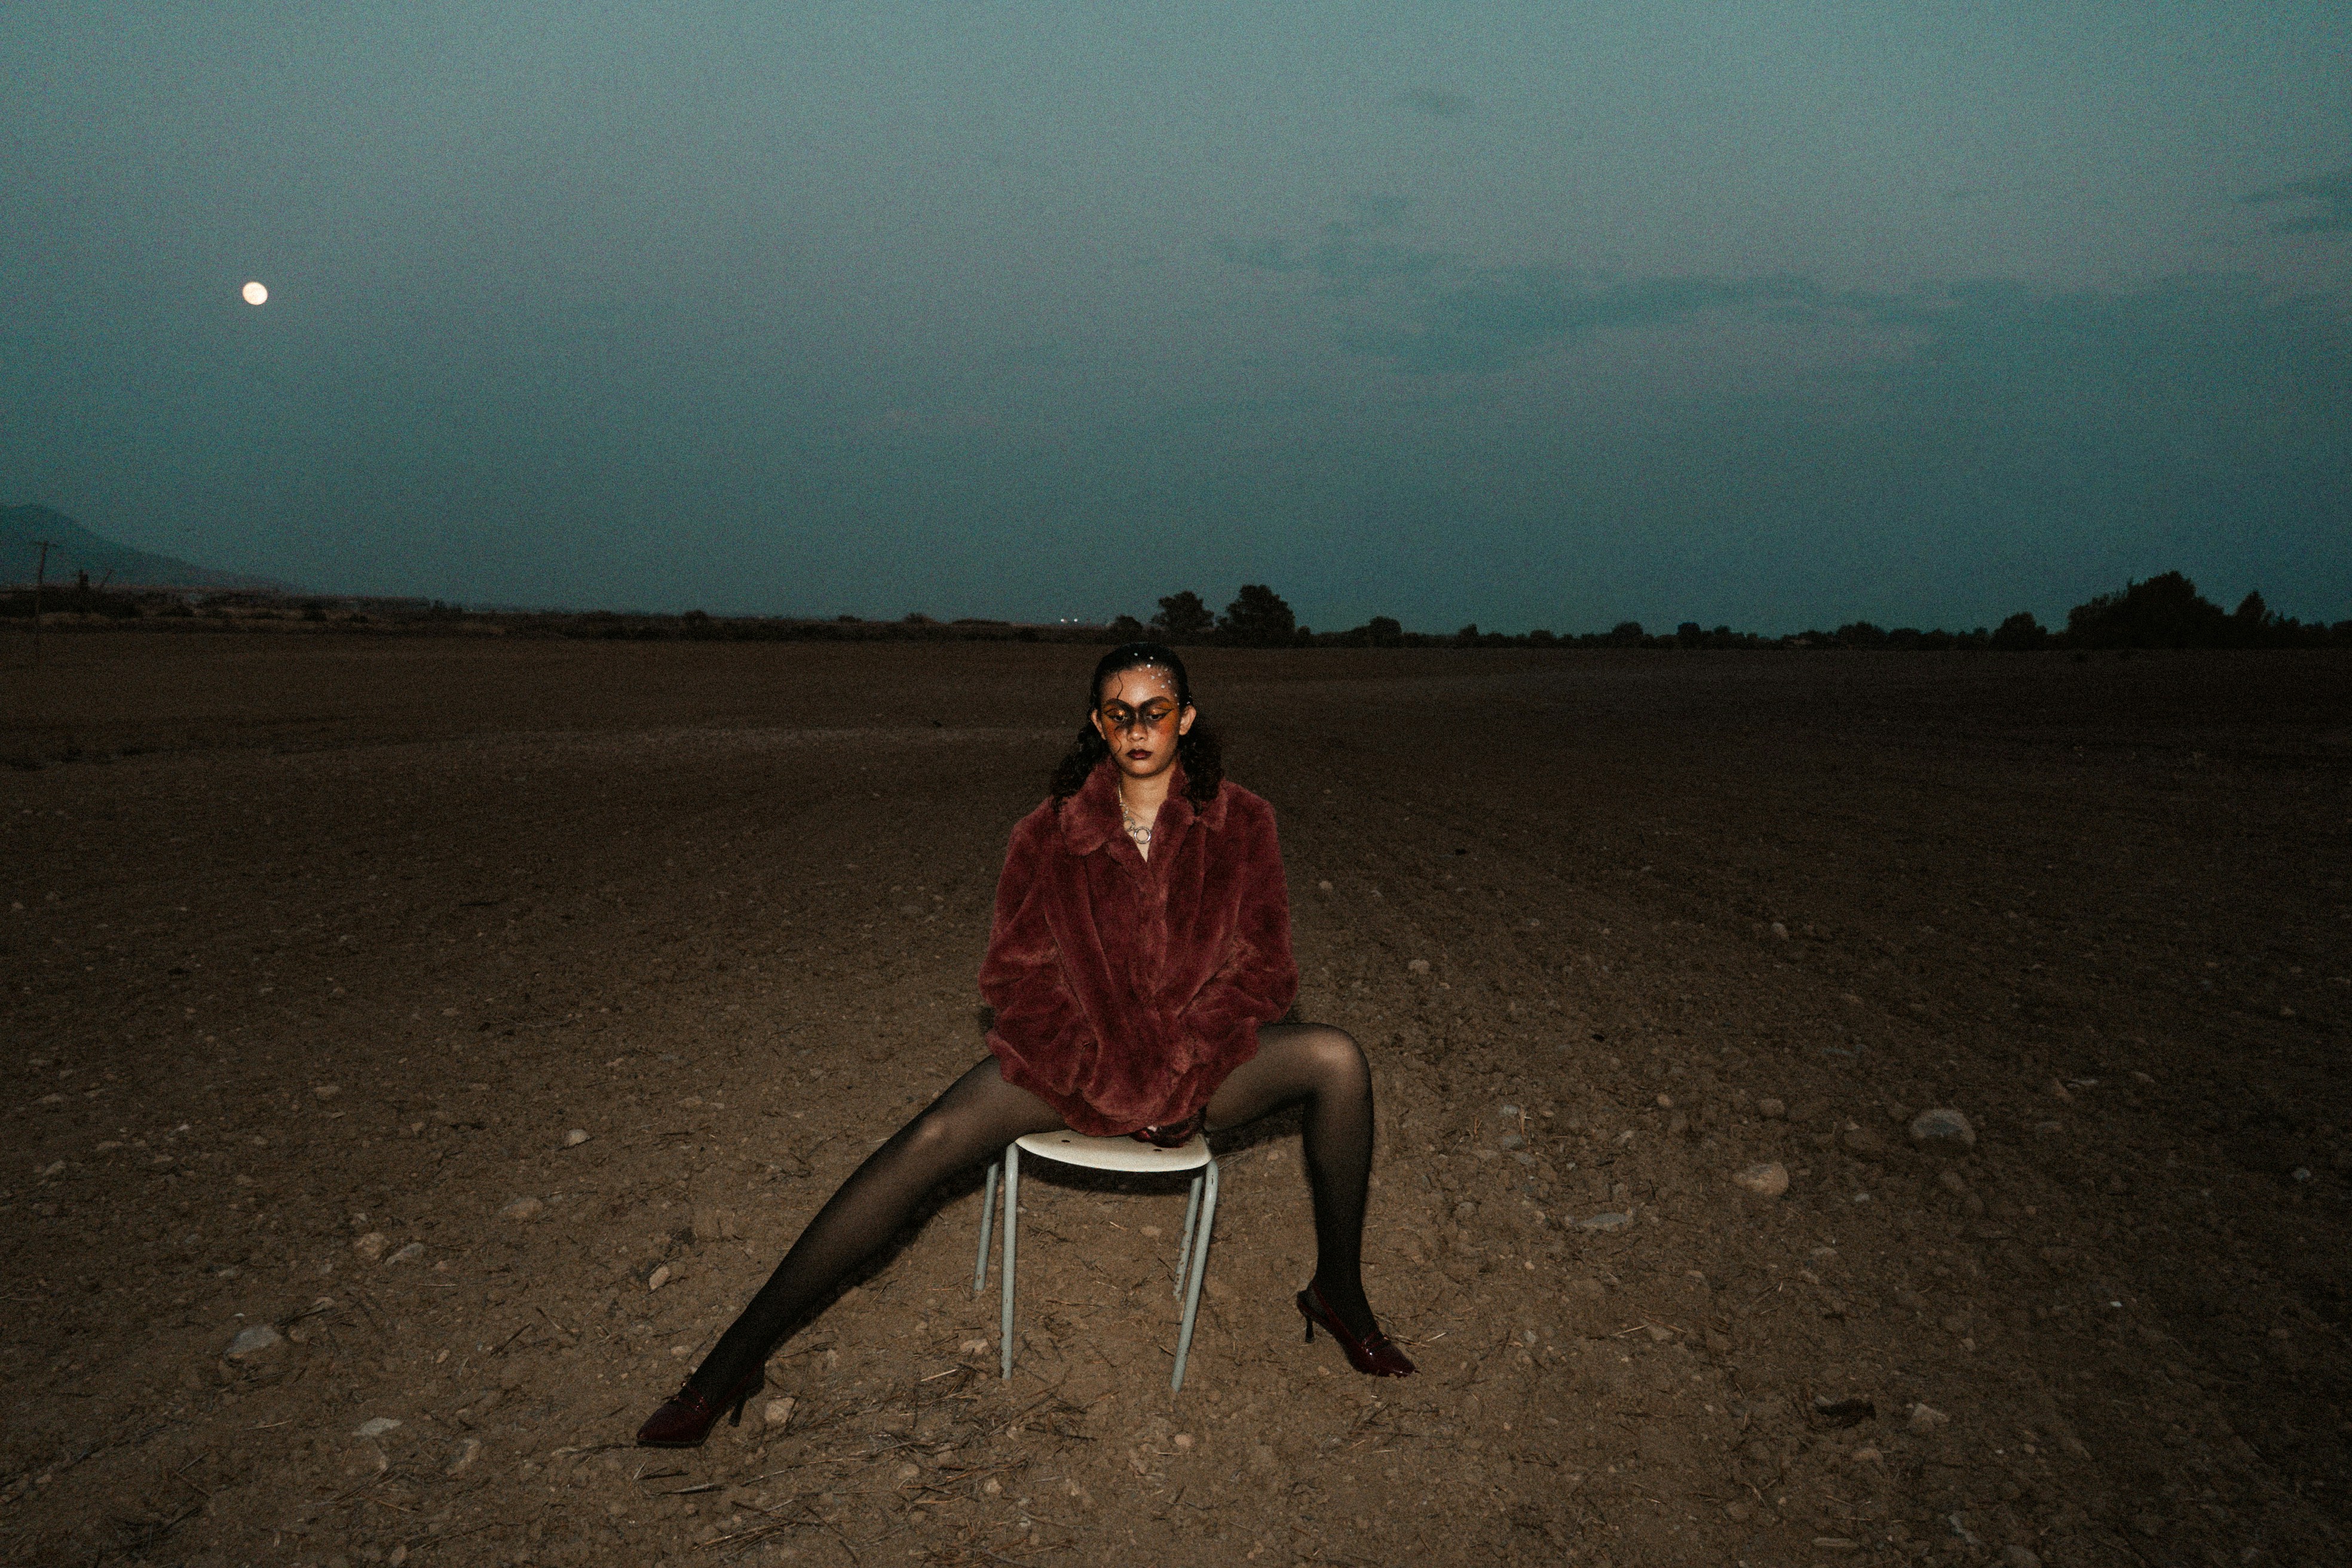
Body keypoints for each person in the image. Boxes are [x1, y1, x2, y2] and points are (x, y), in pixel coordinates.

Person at [636, 642, 1411, 1448]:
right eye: (1119, 712)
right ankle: (730, 1364)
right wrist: (1104, 1076)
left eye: (1155, 710)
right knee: (932, 1137)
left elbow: (1266, 971)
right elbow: (1016, 980)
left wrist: (1181, 1071)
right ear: (1098, 724)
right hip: (1077, 1067)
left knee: (1337, 1060)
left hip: (1198, 1067)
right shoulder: (1049, 834)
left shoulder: (1243, 822)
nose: (1137, 727)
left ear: (1184, 719)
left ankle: (1338, 1297)